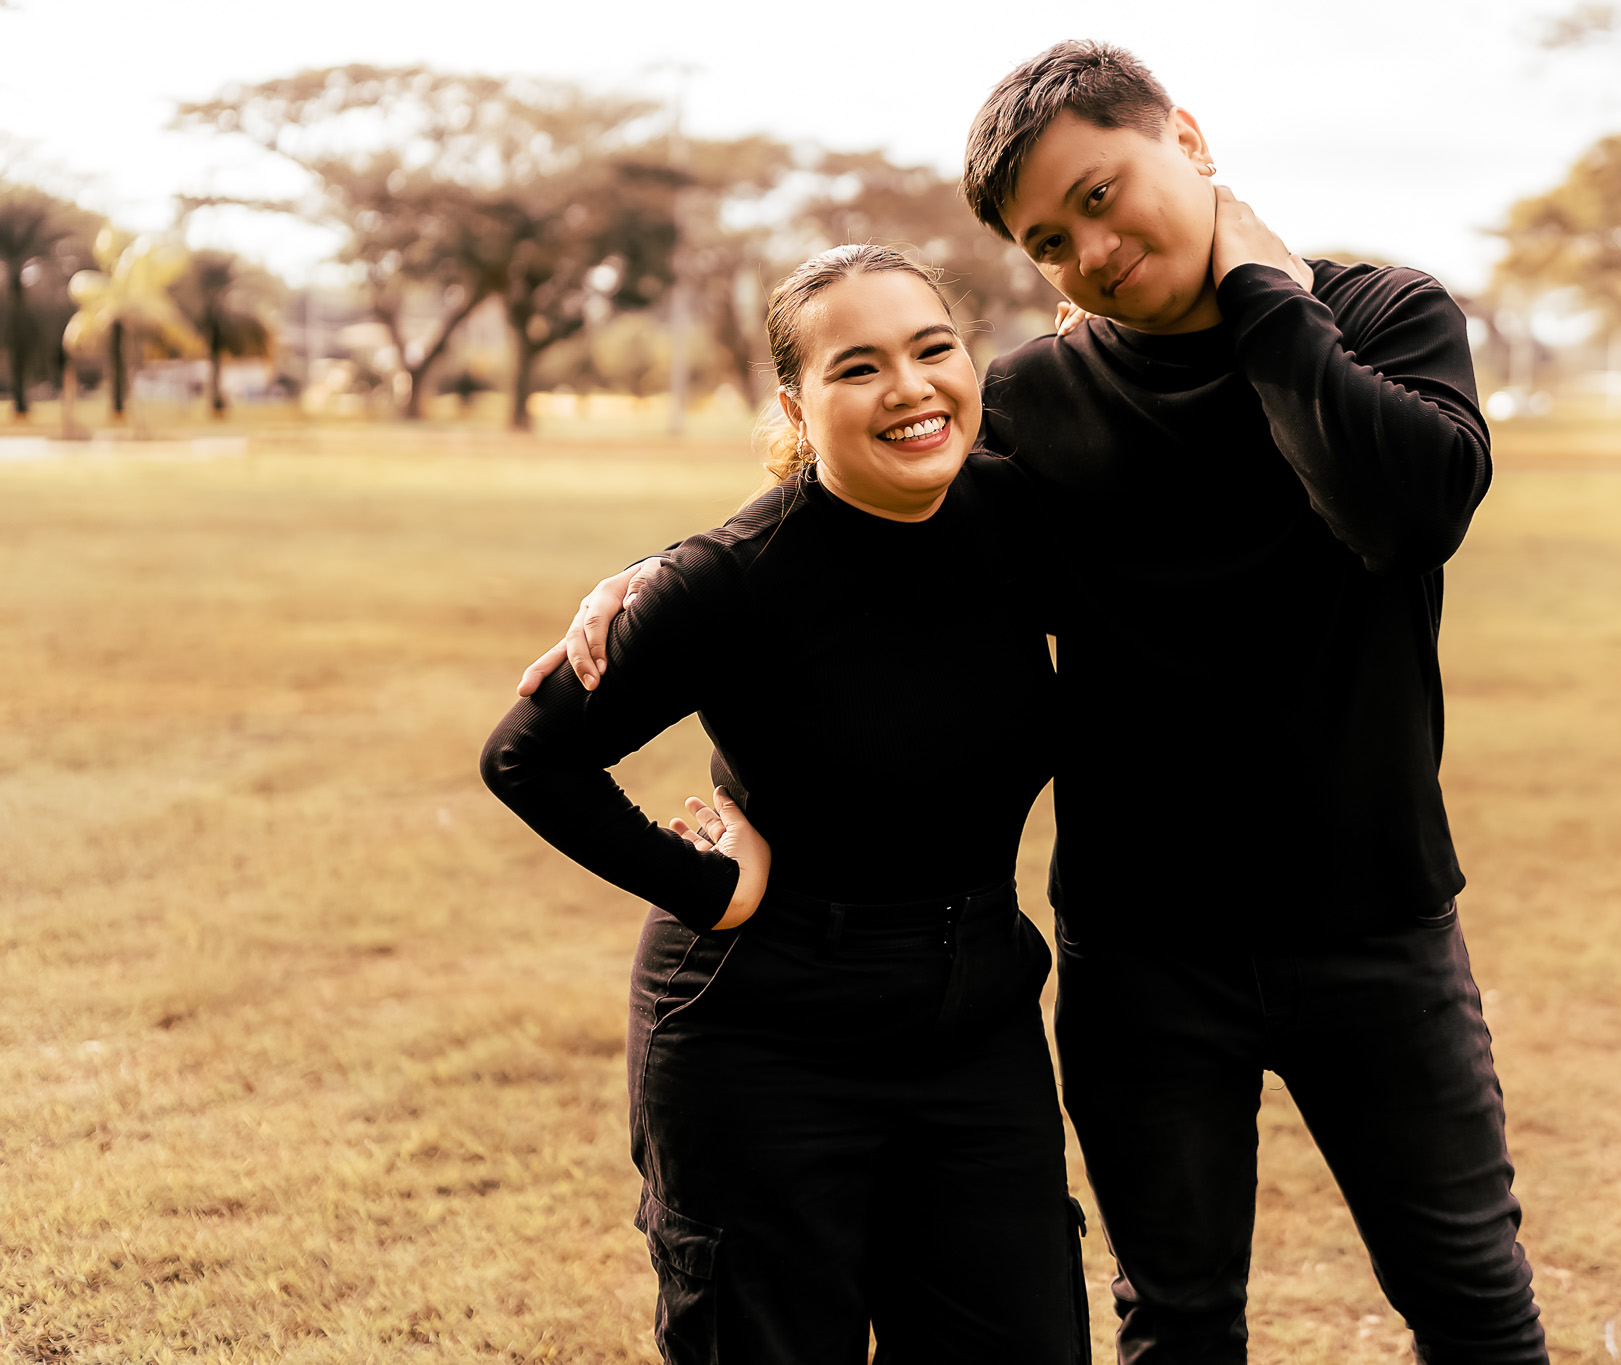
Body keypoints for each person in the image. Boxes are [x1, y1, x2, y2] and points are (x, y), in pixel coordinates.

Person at [528, 41, 1546, 1365]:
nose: (1094, 250)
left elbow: (1400, 516)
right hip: (1142, 951)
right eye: (1050, 241)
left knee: (1473, 1302)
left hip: (1377, 927)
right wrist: (675, 569)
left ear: (1186, 135)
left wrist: (1263, 295)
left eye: (1104, 195)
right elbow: (864, 509)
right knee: (1175, 1323)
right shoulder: (1038, 398)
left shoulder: (1382, 317)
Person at [481, 245, 1085, 1365]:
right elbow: (528, 756)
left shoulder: (1018, 515)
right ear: (794, 404)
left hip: (978, 1023)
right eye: (856, 367)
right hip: (763, 1038)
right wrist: (704, 888)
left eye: (930, 348)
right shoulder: (729, 581)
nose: (907, 387)